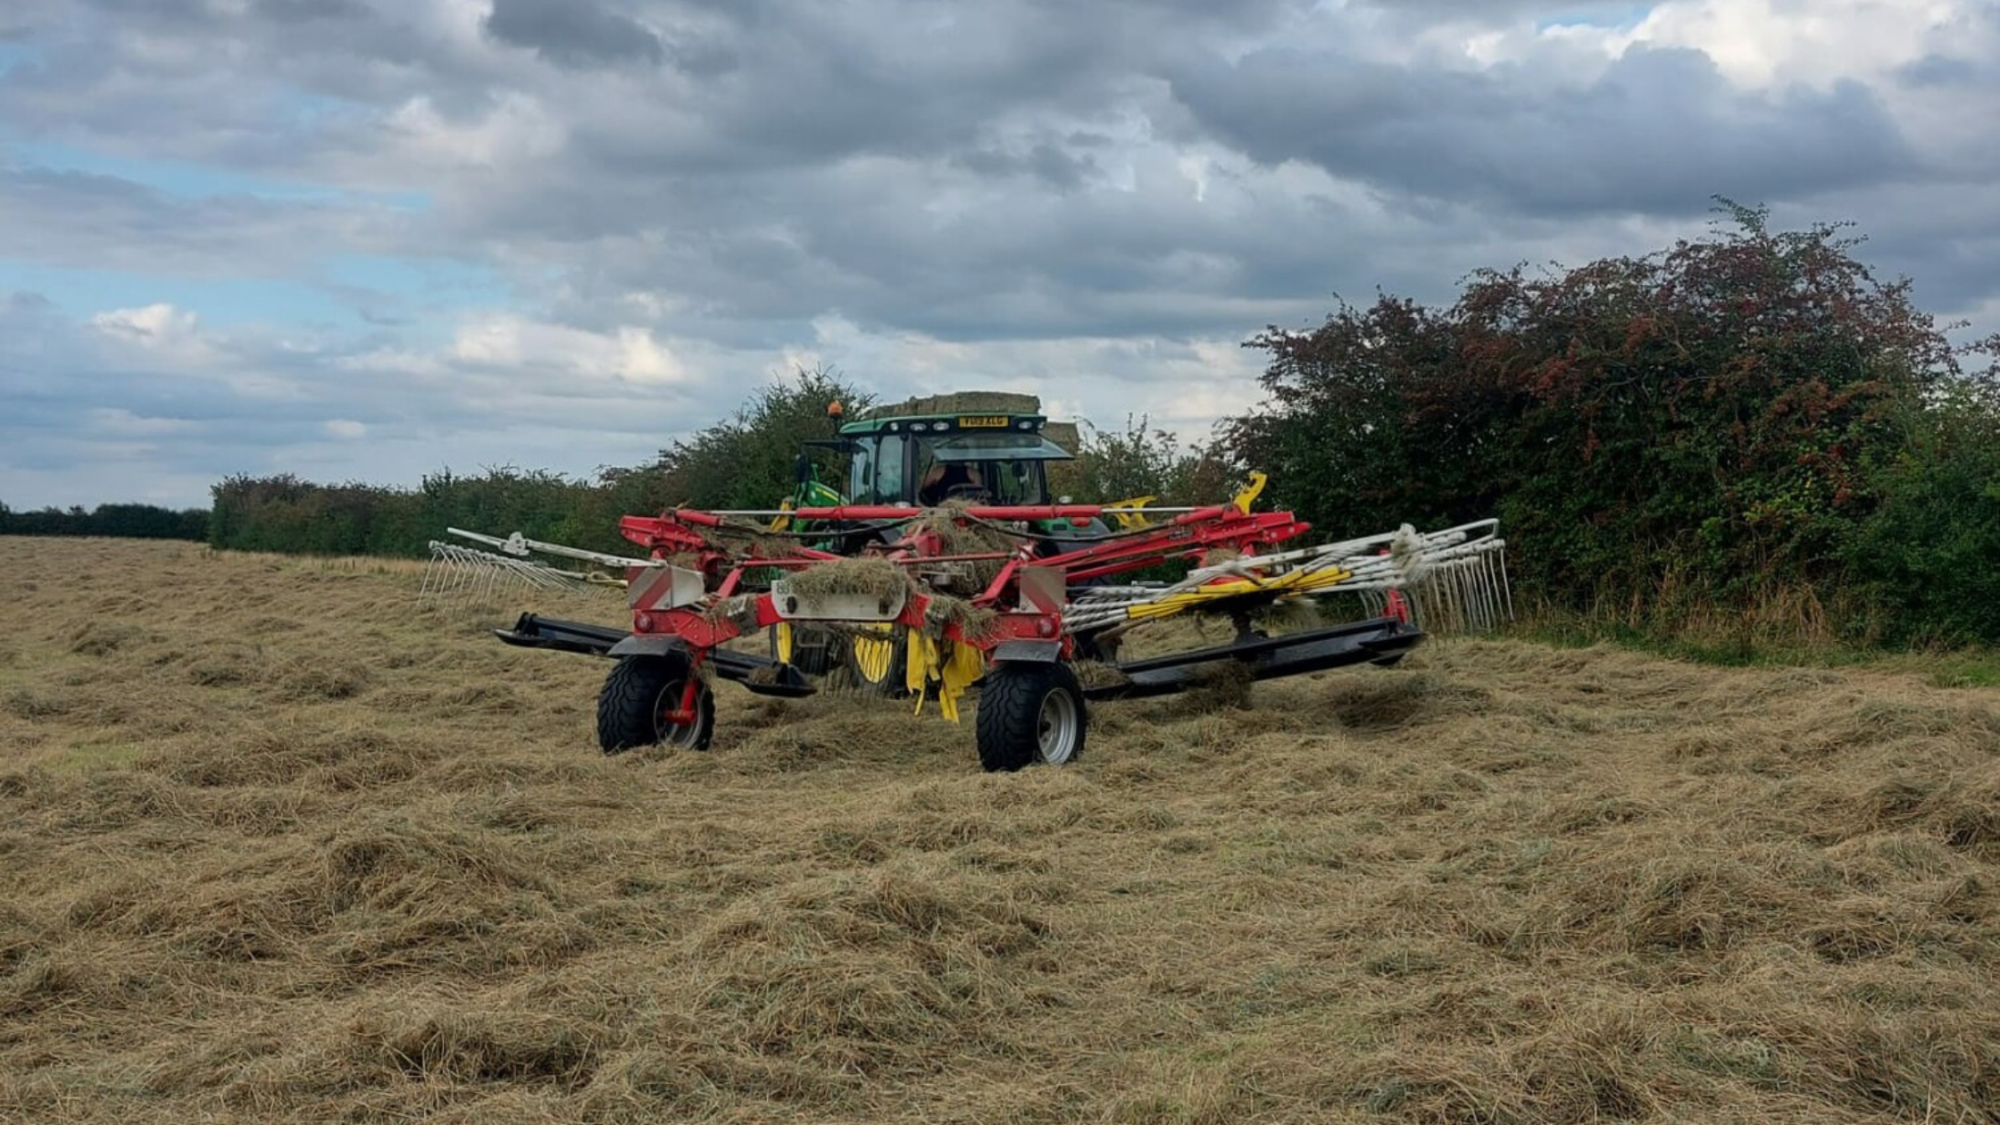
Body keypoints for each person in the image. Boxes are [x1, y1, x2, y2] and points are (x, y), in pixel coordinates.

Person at [918, 461, 985, 505]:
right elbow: (979, 494)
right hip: (967, 511)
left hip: (941, 512)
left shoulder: (938, 471)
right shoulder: (974, 473)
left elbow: (920, 487)